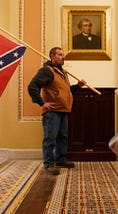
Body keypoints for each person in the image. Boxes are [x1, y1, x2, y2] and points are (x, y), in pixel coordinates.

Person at [27, 47, 86, 175]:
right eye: (60, 55)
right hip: (52, 111)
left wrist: (78, 86)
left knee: (62, 137)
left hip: (63, 110)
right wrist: (42, 103)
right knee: (50, 138)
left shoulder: (62, 72)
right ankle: (48, 164)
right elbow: (32, 86)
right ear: (52, 57)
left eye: (63, 55)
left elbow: (66, 91)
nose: (63, 57)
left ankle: (60, 160)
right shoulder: (47, 71)